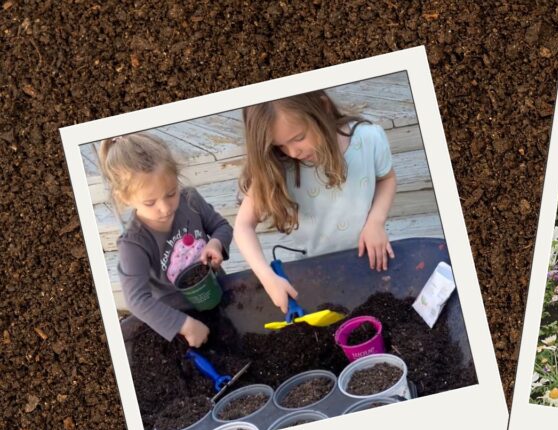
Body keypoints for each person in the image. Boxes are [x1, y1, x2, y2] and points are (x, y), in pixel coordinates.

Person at [234, 90, 398, 315]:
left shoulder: (369, 139)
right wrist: (267, 277)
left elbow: (386, 179)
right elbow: (243, 226)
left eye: (299, 138)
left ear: (323, 108)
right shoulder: (280, 165)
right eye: (280, 145)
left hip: (369, 261)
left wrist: (376, 221)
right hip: (315, 273)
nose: (293, 152)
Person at [101, 133, 233, 347]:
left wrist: (216, 243)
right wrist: (185, 325)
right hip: (178, 317)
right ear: (125, 198)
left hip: (215, 293)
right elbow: (137, 300)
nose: (164, 208)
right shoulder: (134, 243)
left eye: (171, 193)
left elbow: (221, 227)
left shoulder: (190, 201)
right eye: (150, 202)